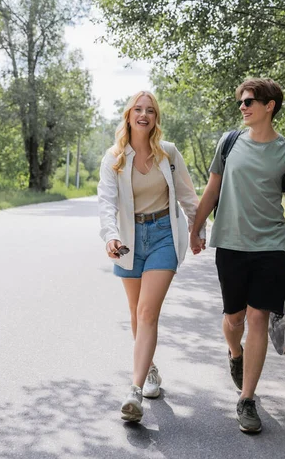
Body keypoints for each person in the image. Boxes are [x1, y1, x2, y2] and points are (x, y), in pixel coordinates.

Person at [190, 77, 285, 434]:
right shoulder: (229, 143)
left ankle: (247, 400)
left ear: (269, 105)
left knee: (258, 318)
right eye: (241, 102)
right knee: (235, 319)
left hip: (270, 247)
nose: (242, 107)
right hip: (230, 243)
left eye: (248, 102)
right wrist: (196, 229)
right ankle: (235, 353)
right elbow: (212, 187)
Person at [98, 91, 205, 423]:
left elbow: (187, 194)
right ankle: (152, 368)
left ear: (156, 118)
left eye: (151, 111)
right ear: (129, 115)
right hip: (129, 241)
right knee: (135, 313)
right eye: (138, 109)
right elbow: (106, 202)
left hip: (162, 236)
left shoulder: (168, 153)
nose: (144, 115)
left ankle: (134, 390)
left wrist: (197, 228)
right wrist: (110, 235)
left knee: (146, 313)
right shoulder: (114, 157)